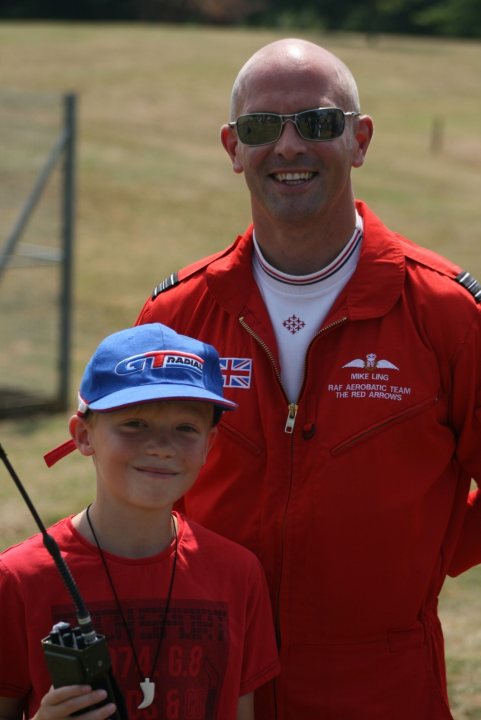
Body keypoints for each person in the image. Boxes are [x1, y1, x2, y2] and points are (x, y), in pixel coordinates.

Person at [134, 37, 481, 719]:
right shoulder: (176, 315)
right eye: (263, 127)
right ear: (234, 148)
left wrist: (422, 555)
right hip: (210, 673)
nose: (289, 147)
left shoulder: (445, 312)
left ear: (359, 139)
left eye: (318, 123)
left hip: (382, 679)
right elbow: (137, 489)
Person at [0, 323, 280, 720]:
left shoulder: (239, 574)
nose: (161, 447)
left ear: (209, 444)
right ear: (83, 435)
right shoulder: (18, 578)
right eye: (134, 424)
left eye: (185, 428)